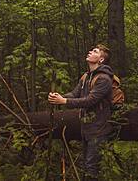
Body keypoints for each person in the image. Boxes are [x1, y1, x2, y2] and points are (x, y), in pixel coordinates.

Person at [48, 44, 114, 181]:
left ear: (101, 60)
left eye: (95, 51)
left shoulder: (104, 79)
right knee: (86, 166)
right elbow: (75, 94)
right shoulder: (85, 77)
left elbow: (90, 101)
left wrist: (64, 101)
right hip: (86, 129)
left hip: (99, 130)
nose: (90, 52)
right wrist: (58, 97)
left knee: (91, 168)